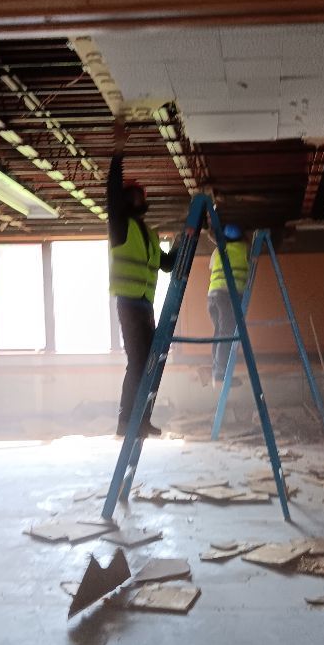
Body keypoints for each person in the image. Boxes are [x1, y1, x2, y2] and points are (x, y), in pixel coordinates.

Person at [107, 118, 177, 437]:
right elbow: (111, 190)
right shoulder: (120, 227)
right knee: (138, 363)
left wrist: (184, 240)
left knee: (149, 364)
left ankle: (141, 419)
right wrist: (119, 150)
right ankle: (126, 421)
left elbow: (166, 265)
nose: (139, 197)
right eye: (133, 193)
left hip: (145, 307)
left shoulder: (148, 234)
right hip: (130, 306)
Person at [207, 223, 249, 386]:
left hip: (212, 297)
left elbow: (212, 268)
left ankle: (217, 370)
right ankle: (220, 375)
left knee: (219, 332)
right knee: (227, 333)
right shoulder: (244, 249)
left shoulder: (218, 251)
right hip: (228, 296)